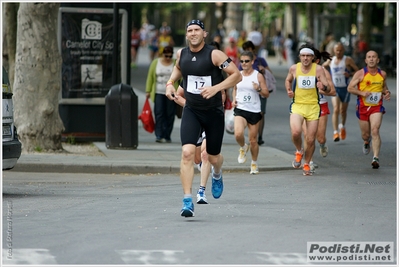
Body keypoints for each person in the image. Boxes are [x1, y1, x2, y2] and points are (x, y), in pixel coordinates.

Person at [165, 19, 241, 217]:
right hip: (191, 110)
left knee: (213, 157)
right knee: (188, 153)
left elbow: (236, 75)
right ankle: (187, 200)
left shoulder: (214, 54)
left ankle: (217, 173)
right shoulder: (182, 53)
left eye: (196, 30)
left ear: (204, 33)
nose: (193, 33)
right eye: (189, 30)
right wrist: (170, 83)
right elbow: (178, 70)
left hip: (213, 112)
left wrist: (216, 88)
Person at [285, 44, 333, 176]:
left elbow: (328, 88)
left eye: (308, 56)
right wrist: (289, 90)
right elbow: (288, 80)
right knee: (296, 132)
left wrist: (322, 86)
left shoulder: (318, 70)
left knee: (311, 139)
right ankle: (299, 150)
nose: (305, 58)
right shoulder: (294, 68)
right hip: (298, 105)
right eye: (303, 56)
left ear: (312, 57)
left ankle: (306, 163)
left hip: (313, 106)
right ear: (300, 57)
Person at [347, 50, 391, 169]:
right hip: (363, 106)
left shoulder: (382, 74)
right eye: (369, 57)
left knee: (375, 130)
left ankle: (375, 158)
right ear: (366, 60)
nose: (371, 59)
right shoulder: (360, 74)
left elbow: (384, 88)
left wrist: (387, 93)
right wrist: (361, 92)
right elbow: (350, 88)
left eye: (374, 57)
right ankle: (367, 142)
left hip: (377, 107)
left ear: (378, 60)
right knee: (366, 135)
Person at [232, 51, 269, 174]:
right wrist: (233, 100)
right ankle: (243, 147)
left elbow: (266, 93)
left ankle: (254, 163)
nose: (244, 63)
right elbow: (235, 88)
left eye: (246, 61)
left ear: (252, 62)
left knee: (253, 140)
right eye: (242, 61)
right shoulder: (238, 74)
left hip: (254, 110)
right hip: (240, 108)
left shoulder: (258, 76)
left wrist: (258, 89)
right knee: (238, 133)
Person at [302, 48, 336, 172]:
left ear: (315, 60)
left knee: (320, 137)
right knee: (307, 135)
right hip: (304, 106)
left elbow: (332, 91)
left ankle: (322, 144)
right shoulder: (299, 70)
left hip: (320, 105)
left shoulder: (323, 72)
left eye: (309, 57)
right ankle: (309, 161)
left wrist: (320, 89)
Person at [323, 42, 359, 142]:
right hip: (335, 88)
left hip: (345, 89)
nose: (338, 52)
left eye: (340, 50)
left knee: (343, 111)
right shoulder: (331, 60)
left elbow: (358, 71)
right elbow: (322, 67)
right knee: (335, 109)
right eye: (337, 50)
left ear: (343, 50)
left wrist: (350, 74)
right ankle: (335, 133)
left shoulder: (347, 60)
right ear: (334, 51)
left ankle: (342, 126)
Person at [240, 41, 273, 146]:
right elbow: (236, 75)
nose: (247, 51)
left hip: (260, 90)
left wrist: (263, 70)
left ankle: (260, 136)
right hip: (248, 92)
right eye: (245, 49)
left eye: (249, 49)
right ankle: (252, 135)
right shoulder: (243, 61)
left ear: (253, 49)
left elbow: (270, 73)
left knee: (261, 113)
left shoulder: (260, 60)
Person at [146, 46, 178, 143]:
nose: (168, 58)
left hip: (172, 92)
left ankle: (167, 135)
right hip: (158, 92)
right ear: (162, 54)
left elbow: (181, 78)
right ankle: (159, 135)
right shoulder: (156, 62)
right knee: (159, 113)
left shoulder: (176, 63)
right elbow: (150, 77)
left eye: (170, 56)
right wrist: (148, 90)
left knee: (170, 114)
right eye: (166, 56)